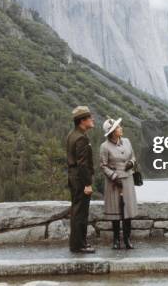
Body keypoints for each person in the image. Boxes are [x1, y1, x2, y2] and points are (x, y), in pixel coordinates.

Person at [99, 117, 138, 249]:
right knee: (116, 211)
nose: (121, 128)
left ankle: (127, 239)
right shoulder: (104, 147)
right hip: (114, 182)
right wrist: (114, 176)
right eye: (118, 127)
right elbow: (103, 166)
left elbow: (133, 156)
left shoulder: (127, 141)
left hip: (127, 179)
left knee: (127, 211)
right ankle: (116, 240)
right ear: (112, 132)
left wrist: (131, 163)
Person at [66, 106, 96, 253]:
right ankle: (80, 245)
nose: (92, 119)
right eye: (90, 118)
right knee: (81, 213)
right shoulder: (81, 138)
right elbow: (82, 164)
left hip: (74, 177)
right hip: (80, 179)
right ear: (82, 121)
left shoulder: (72, 135)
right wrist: (88, 184)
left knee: (76, 211)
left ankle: (76, 244)